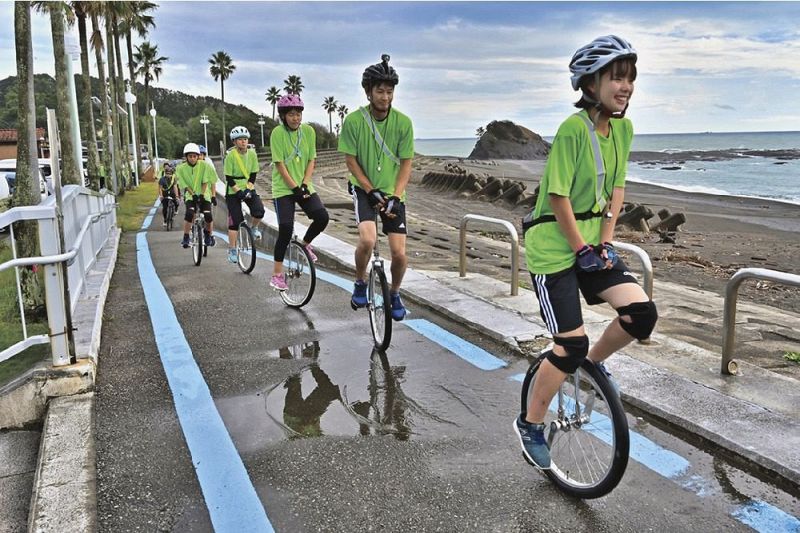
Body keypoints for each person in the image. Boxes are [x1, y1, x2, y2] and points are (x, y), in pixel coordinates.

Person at [514, 35, 658, 470]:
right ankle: (531, 424)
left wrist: (606, 242)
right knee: (568, 342)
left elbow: (616, 188)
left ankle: (590, 366)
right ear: (590, 83)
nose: (626, 86)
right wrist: (580, 247)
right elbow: (557, 197)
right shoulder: (572, 130)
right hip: (555, 250)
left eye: (630, 78)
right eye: (616, 77)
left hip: (593, 245)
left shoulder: (624, 129)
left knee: (642, 315)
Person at [338, 54, 414, 321]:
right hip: (363, 190)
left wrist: (394, 195)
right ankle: (360, 280)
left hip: (394, 193)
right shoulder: (354, 121)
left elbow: (406, 164)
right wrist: (370, 190)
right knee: (368, 240)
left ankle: (394, 292)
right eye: (379, 91)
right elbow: (350, 160)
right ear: (368, 92)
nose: (385, 97)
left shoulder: (403, 123)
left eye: (390, 91)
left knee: (399, 254)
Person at [268, 94, 330, 291]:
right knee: (285, 229)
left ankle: (305, 244)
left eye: (298, 114)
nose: (295, 118)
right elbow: (279, 165)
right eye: (291, 114)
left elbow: (312, 159)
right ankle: (276, 275)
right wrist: (294, 188)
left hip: (304, 185)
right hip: (283, 188)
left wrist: (304, 184)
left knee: (322, 217)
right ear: (284, 116)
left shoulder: (309, 132)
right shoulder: (277, 133)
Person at [223, 126, 265, 264]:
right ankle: (232, 249)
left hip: (247, 186)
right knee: (235, 221)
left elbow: (253, 174)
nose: (243, 142)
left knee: (259, 211)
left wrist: (248, 189)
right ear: (234, 142)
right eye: (240, 140)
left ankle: (254, 228)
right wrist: (238, 192)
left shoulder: (252, 153)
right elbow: (228, 178)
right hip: (233, 190)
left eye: (245, 139)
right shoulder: (230, 156)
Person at [176, 143, 218, 248]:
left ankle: (208, 235)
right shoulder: (180, 168)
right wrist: (193, 194)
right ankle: (186, 236)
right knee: (189, 214)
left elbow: (206, 181)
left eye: (195, 156)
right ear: (186, 157)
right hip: (191, 195)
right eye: (190, 156)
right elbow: (183, 183)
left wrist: (204, 195)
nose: (193, 158)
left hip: (205, 195)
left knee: (208, 216)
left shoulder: (204, 165)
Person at [157, 161, 179, 227]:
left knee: (176, 202)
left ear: (172, 174)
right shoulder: (161, 179)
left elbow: (175, 187)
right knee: (165, 208)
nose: (168, 175)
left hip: (172, 193)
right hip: (164, 194)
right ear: (165, 173)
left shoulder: (173, 179)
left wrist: (177, 195)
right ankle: (165, 220)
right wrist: (161, 196)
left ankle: (175, 210)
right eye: (167, 174)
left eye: (170, 174)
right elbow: (160, 188)